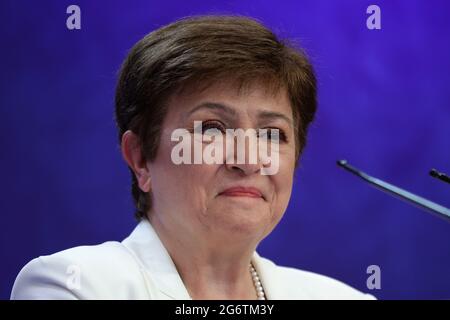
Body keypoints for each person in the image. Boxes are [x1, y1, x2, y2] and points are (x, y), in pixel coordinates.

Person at [11, 15, 374, 300]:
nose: (249, 161)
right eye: (212, 128)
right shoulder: (73, 286)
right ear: (140, 158)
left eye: (272, 134)